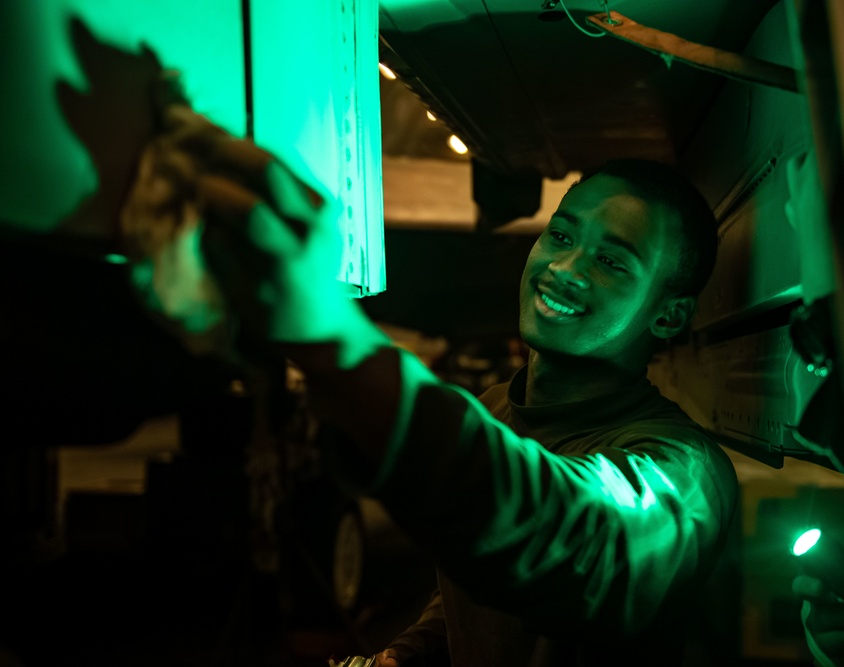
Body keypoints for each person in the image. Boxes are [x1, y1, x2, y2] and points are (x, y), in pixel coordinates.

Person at [128, 103, 740, 667]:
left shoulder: (684, 473)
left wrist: (335, 341)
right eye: (561, 234)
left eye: (612, 262)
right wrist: (402, 660)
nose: (564, 268)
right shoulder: (497, 406)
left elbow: (571, 540)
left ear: (668, 315)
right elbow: (473, 594)